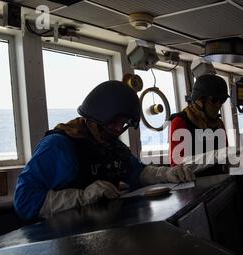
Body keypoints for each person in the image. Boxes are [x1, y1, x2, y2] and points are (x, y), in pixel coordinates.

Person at [14, 80, 195, 220]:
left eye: (123, 124)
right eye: (114, 122)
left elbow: (137, 172)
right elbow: (24, 201)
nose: (118, 129)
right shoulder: (59, 146)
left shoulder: (110, 144)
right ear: (98, 115)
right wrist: (83, 197)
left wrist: (167, 174)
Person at [169, 74, 229, 166]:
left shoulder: (219, 124)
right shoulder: (180, 122)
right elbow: (177, 165)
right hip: (193, 179)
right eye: (215, 99)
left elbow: (225, 158)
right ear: (200, 100)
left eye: (222, 100)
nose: (219, 104)